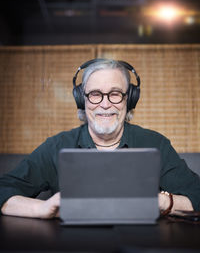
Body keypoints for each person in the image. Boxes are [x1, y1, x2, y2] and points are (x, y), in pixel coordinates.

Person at [0, 58, 200, 219]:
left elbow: (197, 194)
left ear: (129, 99)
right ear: (82, 99)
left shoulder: (155, 143)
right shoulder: (57, 146)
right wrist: (43, 208)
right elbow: (3, 190)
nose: (105, 104)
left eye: (115, 94)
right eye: (95, 94)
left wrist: (164, 202)